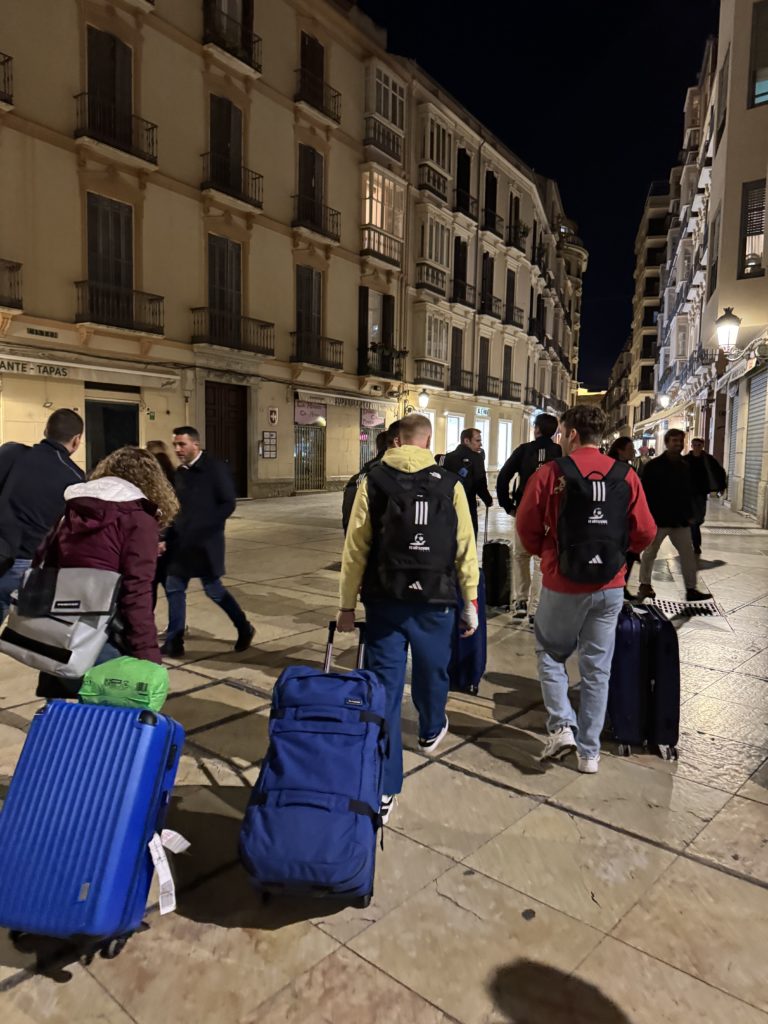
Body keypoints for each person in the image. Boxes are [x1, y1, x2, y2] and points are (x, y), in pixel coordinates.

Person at [337, 413, 479, 823]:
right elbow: (465, 547)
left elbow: (355, 547)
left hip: (385, 600)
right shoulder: (450, 484)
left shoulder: (373, 481)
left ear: (396, 441)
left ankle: (384, 787)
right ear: (427, 442)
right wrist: (469, 600)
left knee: (384, 688)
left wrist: (346, 604)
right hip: (436, 600)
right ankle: (431, 728)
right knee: (433, 671)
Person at [516, 405, 656, 773]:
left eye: (562, 433)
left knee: (550, 653)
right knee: (597, 669)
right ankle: (589, 754)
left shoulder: (551, 473)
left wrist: (547, 553)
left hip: (562, 582)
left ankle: (562, 725)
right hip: (609, 585)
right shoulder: (626, 475)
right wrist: (618, 555)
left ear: (573, 433)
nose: (560, 439)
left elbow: (526, 527)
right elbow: (645, 530)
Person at [34, 446, 179, 697]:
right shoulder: (138, 520)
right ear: (152, 482)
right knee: (112, 711)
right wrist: (149, 659)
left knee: (71, 708)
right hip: (102, 635)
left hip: (61, 633)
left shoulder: (73, 509)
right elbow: (136, 595)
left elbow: (44, 560)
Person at [162, 426, 254, 657]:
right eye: (175, 445)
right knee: (174, 588)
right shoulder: (180, 473)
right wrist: (164, 535)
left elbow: (228, 503)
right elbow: (174, 507)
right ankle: (174, 641)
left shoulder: (215, 469)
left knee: (214, 590)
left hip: (205, 545)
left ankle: (244, 627)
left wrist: (205, 526)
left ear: (196, 444)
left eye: (182, 444)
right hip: (180, 545)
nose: (178, 449)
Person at [0, 408, 84, 620]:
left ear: (46, 431)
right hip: (25, 563)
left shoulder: (10, 452)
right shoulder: (74, 477)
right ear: (76, 440)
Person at [496, 413, 561, 621]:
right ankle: (536, 608)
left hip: (525, 510)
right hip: (549, 513)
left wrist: (508, 505)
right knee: (542, 558)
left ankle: (521, 601)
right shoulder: (559, 453)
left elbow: (503, 477)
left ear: (537, 429)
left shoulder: (524, 450)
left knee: (520, 555)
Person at [637, 429, 710, 602]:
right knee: (650, 553)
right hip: (658, 519)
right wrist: (646, 516)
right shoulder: (653, 466)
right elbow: (645, 493)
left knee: (688, 554)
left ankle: (691, 589)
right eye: (674, 440)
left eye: (680, 441)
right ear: (667, 442)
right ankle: (645, 584)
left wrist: (690, 513)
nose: (678, 444)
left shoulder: (685, 466)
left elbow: (688, 492)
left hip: (680, 520)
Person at [341, 420, 401, 533]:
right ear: (396, 443)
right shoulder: (396, 475)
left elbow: (349, 522)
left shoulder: (359, 477)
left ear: (377, 447)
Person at [440, 428, 493, 537]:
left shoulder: (447, 457)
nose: (481, 444)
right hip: (468, 504)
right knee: (469, 535)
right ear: (466, 441)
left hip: (449, 505)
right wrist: (488, 500)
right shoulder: (477, 458)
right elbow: (480, 483)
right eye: (477, 440)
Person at [684, 438, 727, 555]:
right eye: (695, 445)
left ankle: (693, 540)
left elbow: (719, 471)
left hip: (701, 494)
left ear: (702, 446)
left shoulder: (708, 459)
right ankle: (696, 545)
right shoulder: (685, 459)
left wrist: (722, 486)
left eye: (699, 445)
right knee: (692, 520)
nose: (697, 447)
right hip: (688, 494)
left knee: (698, 519)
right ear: (692, 446)